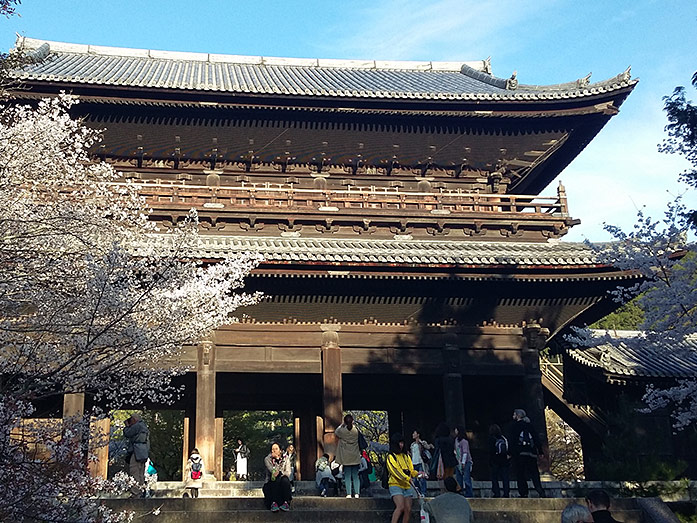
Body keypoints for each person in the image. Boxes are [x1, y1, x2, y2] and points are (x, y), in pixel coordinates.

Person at [508, 408, 545, 498]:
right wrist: (540, 451)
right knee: (534, 473)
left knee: (521, 474)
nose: (513, 416)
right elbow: (536, 438)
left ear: (518, 415)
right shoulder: (530, 426)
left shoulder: (515, 426)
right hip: (531, 453)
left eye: (514, 414)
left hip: (520, 453)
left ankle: (524, 493)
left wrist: (510, 453)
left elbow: (512, 440)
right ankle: (539, 490)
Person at [386, 433, 422, 523]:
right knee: (400, 507)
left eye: (402, 443)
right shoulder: (391, 457)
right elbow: (395, 471)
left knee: (408, 509)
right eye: (399, 443)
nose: (401, 445)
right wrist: (406, 478)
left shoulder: (406, 456)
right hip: (395, 484)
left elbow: (411, 470)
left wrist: (418, 474)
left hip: (406, 485)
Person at [123, 413, 150, 498]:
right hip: (143, 452)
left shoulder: (137, 426)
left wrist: (127, 426)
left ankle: (136, 492)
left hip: (136, 451)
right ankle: (141, 491)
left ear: (134, 419)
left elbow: (127, 433)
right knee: (140, 472)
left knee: (134, 470)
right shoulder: (144, 426)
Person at [335, 414, 362, 498]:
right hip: (355, 455)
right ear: (352, 421)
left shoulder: (342, 431)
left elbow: (336, 432)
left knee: (347, 476)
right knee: (355, 476)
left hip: (346, 456)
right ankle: (357, 493)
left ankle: (349, 493)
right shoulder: (356, 431)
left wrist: (341, 425)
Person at [262, 442, 292, 512]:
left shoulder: (286, 458)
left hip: (282, 482)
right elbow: (273, 471)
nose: (274, 451)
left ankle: (286, 503)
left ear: (280, 450)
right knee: (275, 479)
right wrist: (276, 460)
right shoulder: (267, 459)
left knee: (285, 479)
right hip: (271, 483)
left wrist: (281, 473)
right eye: (272, 449)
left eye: (276, 449)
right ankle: (273, 503)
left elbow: (288, 472)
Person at [489, 423, 510, 498]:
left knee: (494, 477)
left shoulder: (491, 438)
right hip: (504, 460)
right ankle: (506, 492)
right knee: (505, 477)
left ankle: (496, 492)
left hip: (495, 460)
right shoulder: (503, 438)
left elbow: (491, 450)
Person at [410, 429, 433, 497]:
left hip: (420, 463)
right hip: (413, 463)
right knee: (415, 480)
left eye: (414, 433)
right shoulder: (412, 444)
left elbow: (428, 447)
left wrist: (420, 442)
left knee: (422, 478)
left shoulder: (422, 443)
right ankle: (419, 492)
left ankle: (424, 492)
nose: (413, 435)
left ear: (418, 434)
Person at [454, 425, 473, 497]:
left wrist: (463, 462)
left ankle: (469, 494)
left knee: (466, 479)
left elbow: (465, 452)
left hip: (465, 462)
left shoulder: (464, 441)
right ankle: (460, 493)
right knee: (459, 479)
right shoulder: (456, 440)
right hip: (458, 461)